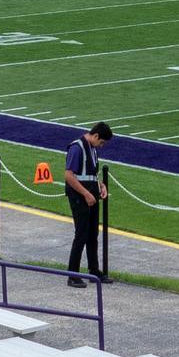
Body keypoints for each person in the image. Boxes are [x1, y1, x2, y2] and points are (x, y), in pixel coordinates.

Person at [64, 122, 112, 286]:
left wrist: (101, 185)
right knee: (81, 235)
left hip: (91, 195)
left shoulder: (92, 148)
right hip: (80, 197)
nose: (101, 146)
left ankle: (94, 270)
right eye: (101, 142)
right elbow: (69, 175)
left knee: (93, 234)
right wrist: (85, 194)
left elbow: (91, 174)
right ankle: (72, 274)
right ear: (96, 136)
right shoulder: (77, 148)